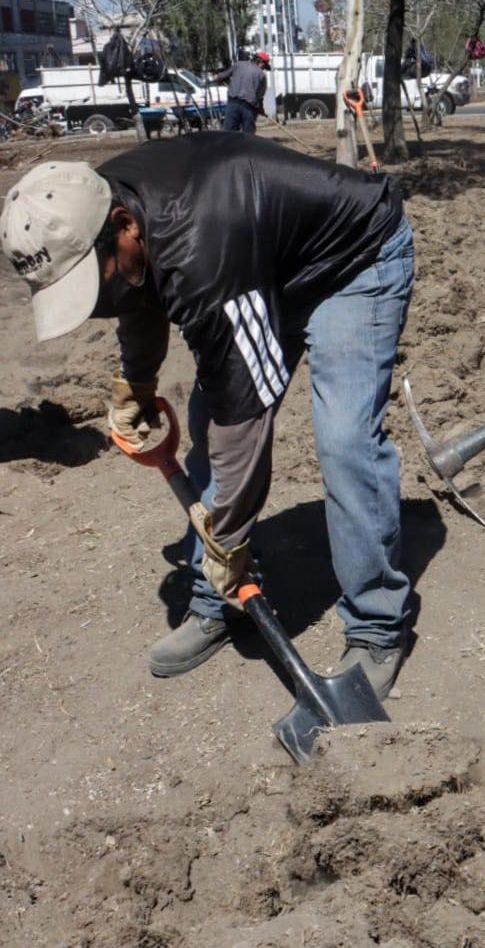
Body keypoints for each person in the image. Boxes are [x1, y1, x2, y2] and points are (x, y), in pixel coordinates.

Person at [1, 136, 414, 695]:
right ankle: (219, 599)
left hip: (351, 261)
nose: (95, 305)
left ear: (125, 226)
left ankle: (375, 626)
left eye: (89, 284)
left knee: (342, 439)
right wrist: (137, 387)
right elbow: (134, 293)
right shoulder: (92, 205)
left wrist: (229, 539)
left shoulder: (196, 245)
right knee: (205, 421)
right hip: (264, 261)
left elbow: (243, 417)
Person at [214, 50, 270, 134]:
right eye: (264, 66)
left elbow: (220, 77)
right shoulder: (261, 75)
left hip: (233, 104)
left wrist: (217, 78)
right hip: (248, 108)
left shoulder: (238, 65)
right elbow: (259, 97)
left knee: (228, 134)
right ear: (260, 62)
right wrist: (260, 109)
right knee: (248, 137)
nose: (263, 69)